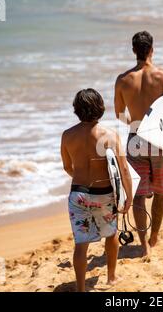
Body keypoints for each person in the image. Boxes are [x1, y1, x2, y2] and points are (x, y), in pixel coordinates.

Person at [114, 31, 163, 256]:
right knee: (160, 191)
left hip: (136, 138)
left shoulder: (122, 80)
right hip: (161, 139)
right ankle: (155, 234)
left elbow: (119, 114)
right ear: (152, 49)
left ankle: (144, 244)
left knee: (138, 195)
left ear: (134, 51)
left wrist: (136, 124)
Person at [61, 88, 132, 292]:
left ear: (76, 110)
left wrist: (82, 179)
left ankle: (81, 288)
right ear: (100, 107)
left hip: (78, 194)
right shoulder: (110, 134)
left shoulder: (67, 136)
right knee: (111, 235)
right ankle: (111, 277)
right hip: (105, 195)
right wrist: (128, 196)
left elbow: (67, 167)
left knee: (81, 243)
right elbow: (123, 169)